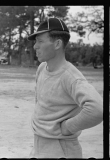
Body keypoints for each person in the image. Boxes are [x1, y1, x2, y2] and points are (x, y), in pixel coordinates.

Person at [27, 17, 103, 158]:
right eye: (35, 41)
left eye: (40, 41)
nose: (35, 46)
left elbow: (97, 110)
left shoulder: (71, 77)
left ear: (57, 44)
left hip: (61, 148)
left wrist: (68, 127)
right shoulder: (42, 68)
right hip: (39, 144)